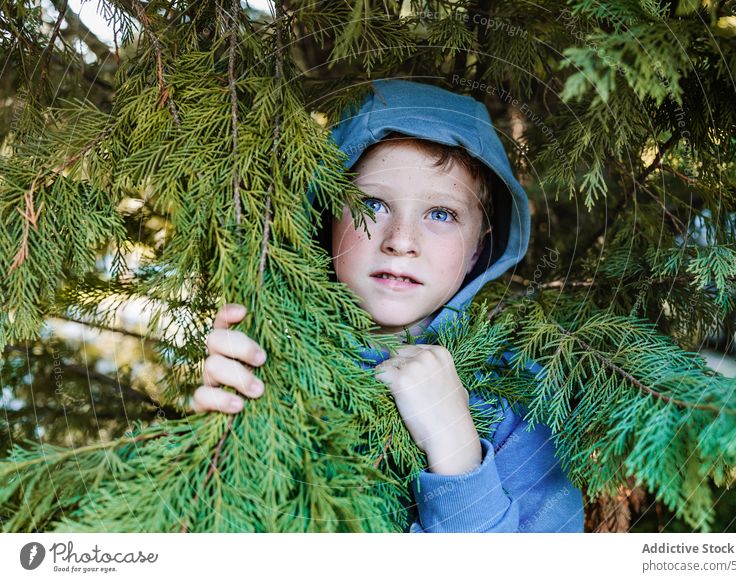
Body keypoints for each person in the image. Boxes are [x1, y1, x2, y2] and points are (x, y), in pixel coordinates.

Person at [189, 79, 584, 532]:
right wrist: (217, 443)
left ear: (480, 245)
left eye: (441, 214)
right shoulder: (272, 355)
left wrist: (458, 453)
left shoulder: (520, 398)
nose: (400, 242)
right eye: (372, 204)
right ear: (328, 215)